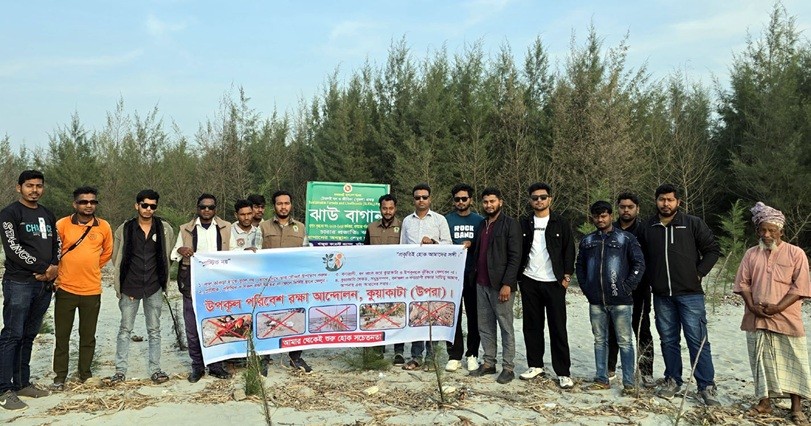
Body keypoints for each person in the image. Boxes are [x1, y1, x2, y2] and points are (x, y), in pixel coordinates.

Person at [638, 183, 721, 405]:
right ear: (656, 201)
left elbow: (713, 250)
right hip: (662, 295)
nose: (666, 204)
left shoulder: (692, 223)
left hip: (690, 294)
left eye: (670, 200)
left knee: (697, 340)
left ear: (678, 202)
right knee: (668, 339)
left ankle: (706, 386)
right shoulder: (648, 227)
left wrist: (699, 273)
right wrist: (651, 280)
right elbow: (641, 257)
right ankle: (672, 380)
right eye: (662, 199)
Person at [733, 202, 811, 424]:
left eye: (772, 230)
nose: (767, 235)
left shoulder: (796, 253)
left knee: (795, 361)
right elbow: (743, 283)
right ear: (758, 231)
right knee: (760, 361)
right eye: (763, 230)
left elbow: (801, 287)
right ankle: (764, 403)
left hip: (786, 318)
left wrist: (778, 307)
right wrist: (752, 306)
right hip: (756, 317)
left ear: (781, 232)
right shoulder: (751, 254)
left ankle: (797, 407)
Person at [0, 170, 60, 410]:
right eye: (29, 185)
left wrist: (53, 268)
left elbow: (56, 243)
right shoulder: (10, 213)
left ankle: (22, 383)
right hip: (19, 283)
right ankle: (4, 389)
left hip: (43, 285)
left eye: (38, 186)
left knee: (28, 335)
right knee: (12, 335)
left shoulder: (47, 213)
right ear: (19, 188)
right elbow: (13, 248)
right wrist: (44, 268)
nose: (34, 190)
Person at [576, 200, 645, 392]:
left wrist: (627, 287)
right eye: (596, 216)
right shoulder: (587, 241)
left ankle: (629, 383)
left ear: (611, 216)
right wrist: (586, 288)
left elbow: (639, 264)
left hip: (621, 301)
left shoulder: (626, 238)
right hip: (596, 301)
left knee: (625, 341)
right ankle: (601, 378)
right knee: (600, 340)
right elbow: (579, 266)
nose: (600, 219)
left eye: (604, 216)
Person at [109, 189, 174, 386]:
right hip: (131, 286)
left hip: (154, 285)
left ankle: (155, 369)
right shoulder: (125, 228)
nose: (148, 209)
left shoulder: (164, 228)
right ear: (137, 205)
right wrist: (127, 281)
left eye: (153, 206)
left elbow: (167, 255)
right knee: (125, 329)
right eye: (144, 205)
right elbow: (116, 257)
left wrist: (161, 279)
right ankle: (120, 371)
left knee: (154, 330)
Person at [52, 187, 113, 390]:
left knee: (87, 336)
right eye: (83, 202)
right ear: (75, 204)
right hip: (65, 289)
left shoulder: (103, 226)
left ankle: (85, 373)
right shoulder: (62, 224)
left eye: (92, 202)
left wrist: (92, 266)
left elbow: (107, 252)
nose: (88, 205)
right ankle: (60, 376)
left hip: (91, 290)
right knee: (62, 336)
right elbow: (55, 251)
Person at [518, 182, 576, 389]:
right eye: (535, 198)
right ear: (530, 200)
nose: (539, 201)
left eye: (543, 197)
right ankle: (535, 365)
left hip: (554, 282)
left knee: (558, 327)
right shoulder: (524, 223)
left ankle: (563, 372)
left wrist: (567, 276)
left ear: (550, 199)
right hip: (529, 280)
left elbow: (569, 249)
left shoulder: (561, 222)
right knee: (532, 326)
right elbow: (518, 250)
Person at [172, 193, 232, 382]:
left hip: (218, 284)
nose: (207, 210)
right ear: (197, 208)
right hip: (192, 283)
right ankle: (197, 366)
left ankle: (216, 365)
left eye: (210, 207)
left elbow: (234, 253)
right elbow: (174, 253)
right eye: (203, 207)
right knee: (192, 327)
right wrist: (181, 250)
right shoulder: (186, 229)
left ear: (216, 209)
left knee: (217, 324)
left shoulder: (226, 228)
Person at [467, 188, 522, 384]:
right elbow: (480, 250)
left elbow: (515, 256)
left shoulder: (510, 224)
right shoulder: (482, 224)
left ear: (500, 202)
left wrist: (508, 283)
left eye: (492, 201)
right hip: (481, 283)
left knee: (505, 326)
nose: (489, 205)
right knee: (485, 326)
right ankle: (489, 362)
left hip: (500, 286)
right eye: (485, 202)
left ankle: (508, 367)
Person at [399, 183, 452, 371]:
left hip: (434, 274)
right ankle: (416, 356)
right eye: (417, 197)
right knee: (416, 314)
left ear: (430, 199)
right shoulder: (407, 221)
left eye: (424, 197)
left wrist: (434, 243)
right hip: (413, 274)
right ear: (413, 200)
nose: (421, 200)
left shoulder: (439, 220)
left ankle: (431, 358)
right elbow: (402, 248)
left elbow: (448, 244)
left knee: (433, 315)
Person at [260, 190, 312, 373]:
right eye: (279, 203)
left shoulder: (301, 228)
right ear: (274, 206)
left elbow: (306, 255)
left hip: (293, 283)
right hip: (269, 283)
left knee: (296, 318)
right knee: (267, 319)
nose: (283, 207)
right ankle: (264, 357)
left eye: (286, 203)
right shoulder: (263, 227)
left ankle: (295, 358)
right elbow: (254, 254)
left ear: (291, 205)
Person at [607, 192, 655, 387]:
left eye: (630, 207)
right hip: (614, 289)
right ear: (617, 208)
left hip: (640, 289)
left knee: (642, 329)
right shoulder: (610, 229)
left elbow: (650, 259)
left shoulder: (645, 231)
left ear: (637, 209)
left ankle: (646, 372)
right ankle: (610, 368)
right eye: (622, 207)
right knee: (612, 329)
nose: (626, 210)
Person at [444, 184, 483, 372]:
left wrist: (472, 244)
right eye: (457, 199)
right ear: (454, 201)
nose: (461, 202)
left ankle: (472, 353)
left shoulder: (479, 220)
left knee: (474, 316)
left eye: (464, 199)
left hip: (473, 274)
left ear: (471, 200)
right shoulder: (446, 220)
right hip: (451, 275)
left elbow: (484, 245)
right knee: (452, 315)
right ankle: (454, 355)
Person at [363, 194, 401, 362]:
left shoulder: (403, 226)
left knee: (397, 314)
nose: (388, 211)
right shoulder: (371, 228)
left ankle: (398, 351)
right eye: (384, 208)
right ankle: (378, 348)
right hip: (376, 279)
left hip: (396, 278)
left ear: (395, 209)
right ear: (380, 209)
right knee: (377, 314)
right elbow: (365, 251)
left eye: (391, 208)